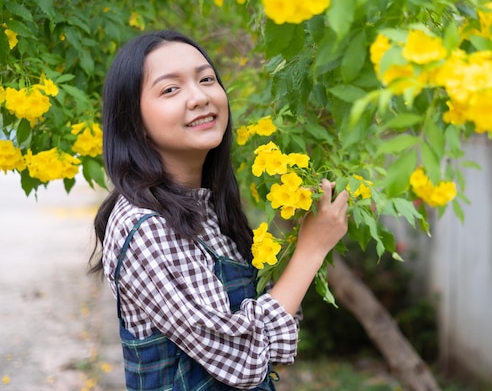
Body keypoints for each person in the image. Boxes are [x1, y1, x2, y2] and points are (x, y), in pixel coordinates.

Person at [89, 30, 349, 390]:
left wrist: (286, 229)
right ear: (135, 122)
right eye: (170, 89)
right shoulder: (144, 224)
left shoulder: (204, 207)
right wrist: (312, 249)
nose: (199, 97)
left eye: (206, 79)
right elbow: (244, 359)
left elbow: (269, 322)